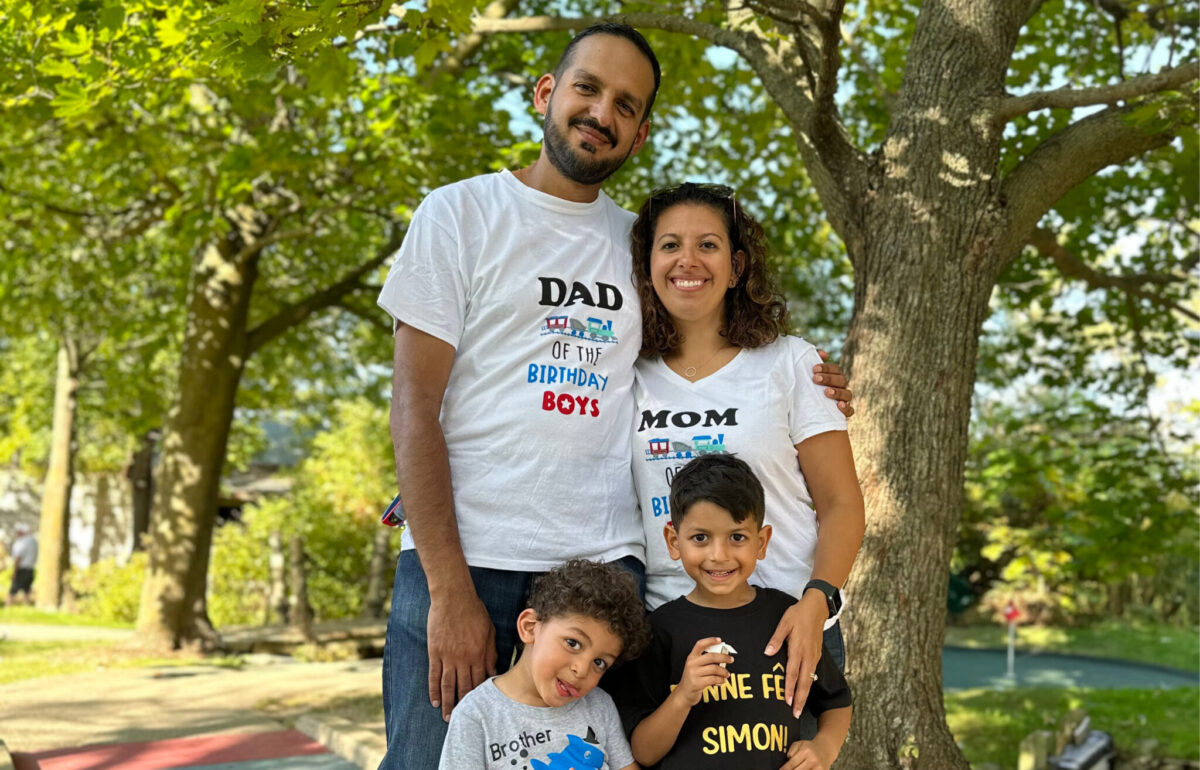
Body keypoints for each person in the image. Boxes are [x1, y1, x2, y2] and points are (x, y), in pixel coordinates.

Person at [376, 23, 852, 769]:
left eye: (626, 105)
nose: (602, 112)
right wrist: (449, 588)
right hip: (471, 559)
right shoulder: (458, 214)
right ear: (547, 93)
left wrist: (817, 377)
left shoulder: (644, 248)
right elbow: (412, 404)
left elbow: (715, 349)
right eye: (587, 88)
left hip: (606, 572)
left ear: (640, 132)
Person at [629, 181, 865, 716]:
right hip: (673, 637)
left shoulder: (792, 363)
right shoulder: (625, 374)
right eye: (669, 245)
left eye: (707, 244)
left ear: (737, 267)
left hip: (788, 629)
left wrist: (816, 601)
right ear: (647, 266)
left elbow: (842, 505)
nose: (687, 260)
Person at [620, 454, 852, 770]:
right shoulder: (659, 630)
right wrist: (684, 695)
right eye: (700, 537)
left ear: (762, 542)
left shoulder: (785, 617)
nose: (719, 555)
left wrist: (824, 748)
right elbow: (644, 752)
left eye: (737, 537)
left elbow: (836, 700)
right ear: (674, 542)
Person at [438, 559, 650, 770]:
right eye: (573, 643)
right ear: (530, 628)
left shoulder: (600, 706)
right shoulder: (477, 714)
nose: (582, 670)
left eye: (599, 662)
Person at [7, 524, 37, 606]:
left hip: (21, 568)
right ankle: (27, 606)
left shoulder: (22, 542)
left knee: (13, 589)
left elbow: (19, 558)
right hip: (30, 568)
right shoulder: (33, 541)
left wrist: (14, 571)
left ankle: (8, 605)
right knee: (27, 589)